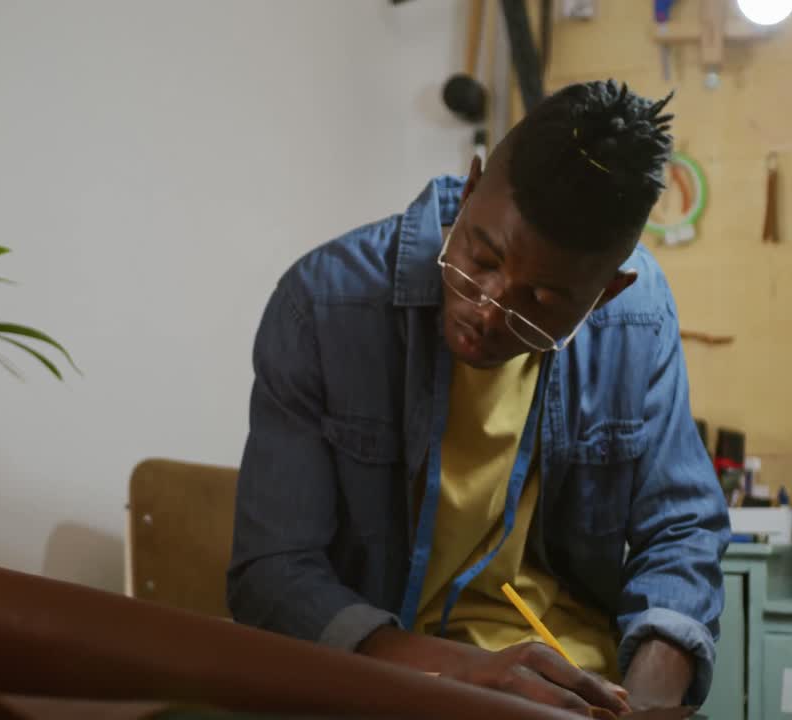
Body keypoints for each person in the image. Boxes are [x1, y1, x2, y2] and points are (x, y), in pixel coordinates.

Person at [227, 79, 730, 716]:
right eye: (479, 257)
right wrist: (464, 673)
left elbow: (682, 529)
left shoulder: (639, 315)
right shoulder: (324, 308)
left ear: (606, 291)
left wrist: (647, 701)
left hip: (581, 692)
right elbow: (272, 574)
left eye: (540, 304)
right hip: (391, 684)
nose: (490, 310)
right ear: (468, 192)